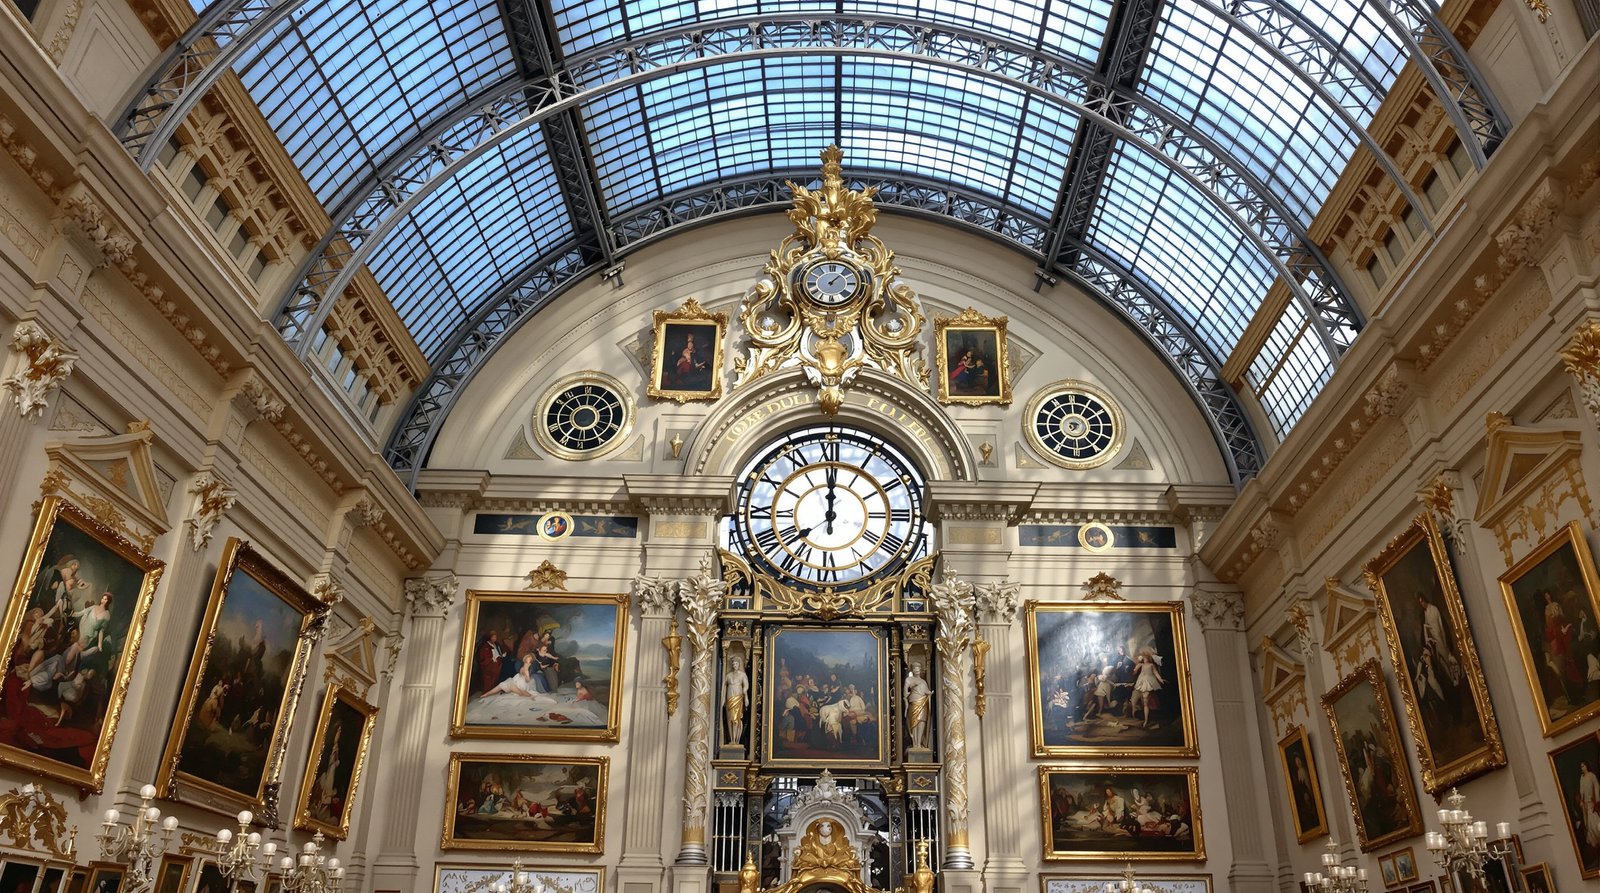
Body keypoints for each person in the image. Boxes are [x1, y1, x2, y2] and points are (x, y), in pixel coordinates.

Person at [1131, 651, 1165, 728]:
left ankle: (1146, 720)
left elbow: (1156, 673)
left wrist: (1161, 680)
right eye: (1143, 658)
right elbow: (1134, 672)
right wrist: (1137, 665)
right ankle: (1145, 719)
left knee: (1146, 702)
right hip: (1141, 682)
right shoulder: (1141, 665)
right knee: (1143, 702)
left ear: (1148, 658)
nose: (1144, 659)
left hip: (1149, 682)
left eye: (1145, 658)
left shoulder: (1151, 665)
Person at [723, 654, 749, 746]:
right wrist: (723, 700)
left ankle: (736, 740)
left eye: (736, 664)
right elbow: (723, 687)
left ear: (739, 665)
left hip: (738, 696)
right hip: (729, 696)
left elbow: (746, 687)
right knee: (730, 718)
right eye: (733, 664)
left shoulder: (742, 675)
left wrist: (746, 698)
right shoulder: (728, 675)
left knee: (736, 719)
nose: (734, 665)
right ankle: (731, 739)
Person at [904, 662, 931, 749]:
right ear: (912, 670)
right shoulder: (909, 680)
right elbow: (905, 693)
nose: (916, 669)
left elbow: (927, 692)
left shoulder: (923, 682)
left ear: (920, 669)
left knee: (922, 721)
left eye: (918, 668)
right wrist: (912, 686)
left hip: (923, 704)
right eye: (915, 668)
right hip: (913, 703)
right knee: (914, 723)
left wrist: (930, 693)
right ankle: (915, 743)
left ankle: (919, 743)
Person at [1578, 759, 1600, 848]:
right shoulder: (1582, 777)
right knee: (1588, 822)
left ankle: (1596, 838)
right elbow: (1581, 790)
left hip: (1592, 802)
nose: (1582, 768)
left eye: (1583, 766)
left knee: (1594, 820)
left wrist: (1597, 801)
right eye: (1581, 766)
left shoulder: (1592, 776)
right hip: (1586, 803)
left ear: (1587, 766)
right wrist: (1581, 800)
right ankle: (1595, 841)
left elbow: (1596, 787)